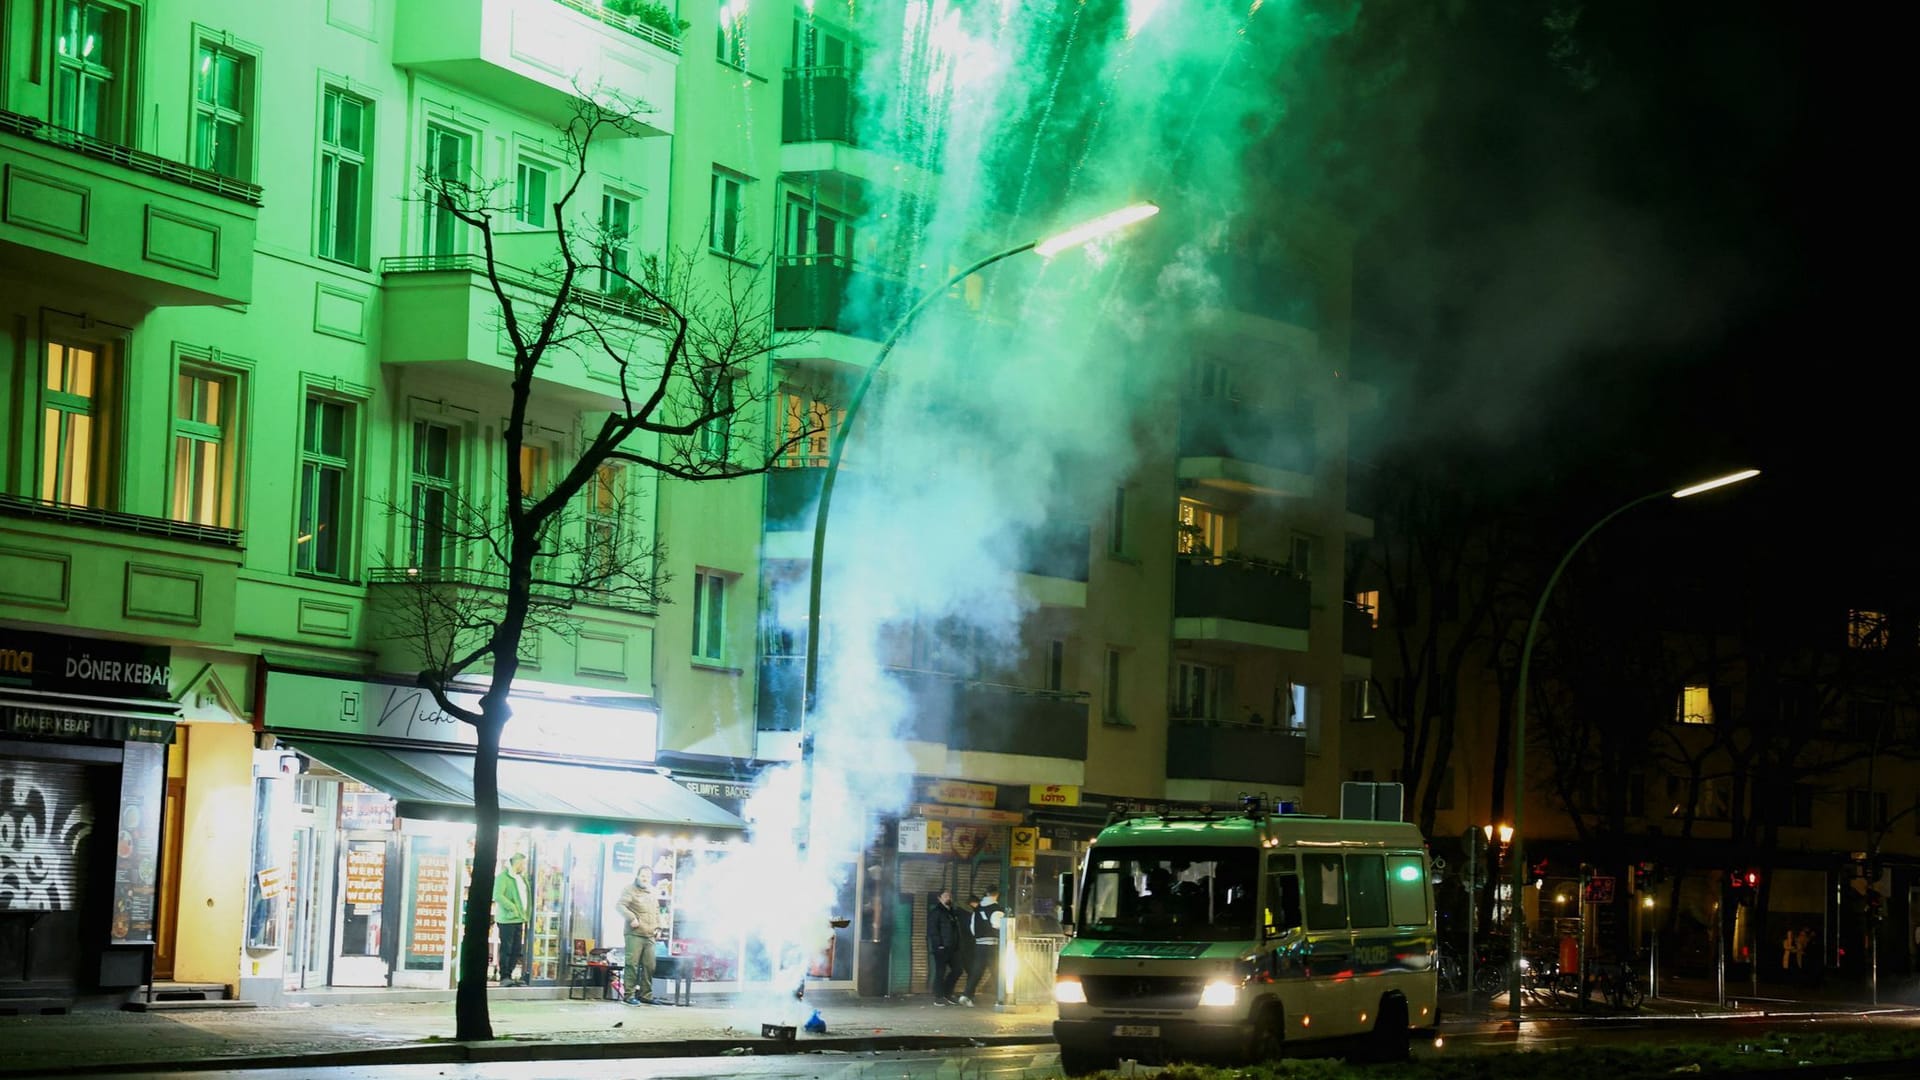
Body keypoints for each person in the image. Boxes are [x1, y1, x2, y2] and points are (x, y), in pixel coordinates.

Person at [620, 872, 662, 1005]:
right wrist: (631, 918)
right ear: (637, 876)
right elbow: (620, 906)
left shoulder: (652, 892)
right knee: (632, 965)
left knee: (650, 966)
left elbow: (656, 911)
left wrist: (659, 927)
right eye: (643, 875)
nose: (645, 878)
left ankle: (646, 995)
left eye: (648, 876)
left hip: (650, 935)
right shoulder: (629, 890)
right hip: (635, 934)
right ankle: (629, 995)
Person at [961, 884, 1004, 1007]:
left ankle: (966, 995)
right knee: (996, 972)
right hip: (992, 944)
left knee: (976, 971)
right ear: (997, 894)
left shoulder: (978, 909)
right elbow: (997, 925)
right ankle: (1001, 998)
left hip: (979, 944)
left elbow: (972, 928)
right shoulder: (997, 909)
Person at [493, 853, 531, 986]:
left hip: (519, 919)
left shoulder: (521, 878)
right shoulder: (503, 878)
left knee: (516, 948)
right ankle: (504, 976)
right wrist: (512, 907)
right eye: (523, 863)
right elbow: (497, 895)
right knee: (506, 948)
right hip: (507, 919)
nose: (524, 866)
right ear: (517, 863)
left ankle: (510, 974)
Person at [928, 889, 962, 1005]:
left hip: (953, 947)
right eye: (946, 896)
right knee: (940, 972)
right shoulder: (936, 912)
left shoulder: (952, 912)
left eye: (949, 895)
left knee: (958, 970)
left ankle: (947, 993)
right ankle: (938, 997)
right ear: (939, 898)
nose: (948, 898)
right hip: (942, 948)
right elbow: (933, 931)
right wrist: (939, 945)